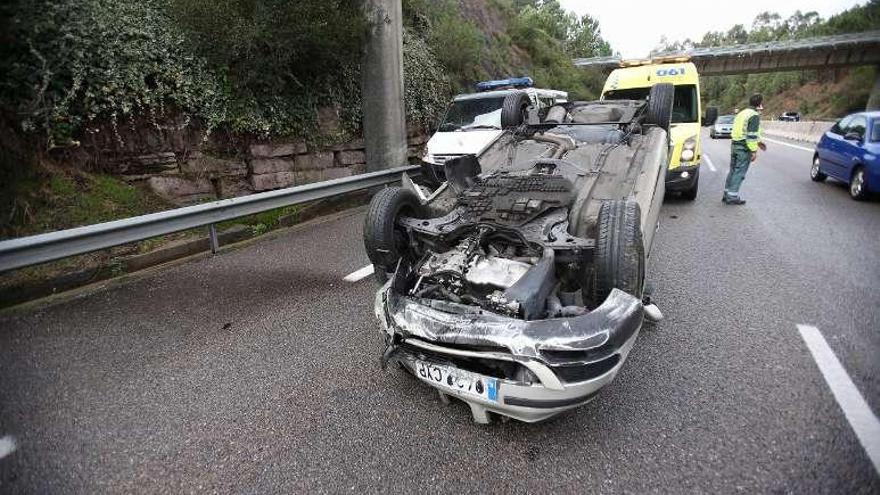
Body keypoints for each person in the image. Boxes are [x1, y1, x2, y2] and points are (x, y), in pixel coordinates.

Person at [723, 94, 767, 205]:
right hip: (744, 147)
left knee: (733, 170)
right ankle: (732, 197)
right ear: (760, 104)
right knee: (739, 172)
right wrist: (753, 151)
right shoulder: (754, 115)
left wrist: (758, 142)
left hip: (735, 144)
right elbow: (751, 135)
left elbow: (742, 131)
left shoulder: (741, 113)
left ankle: (726, 193)